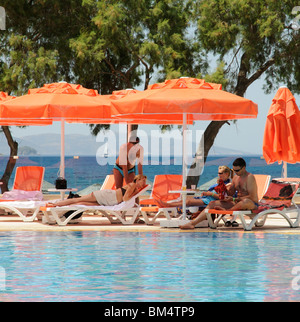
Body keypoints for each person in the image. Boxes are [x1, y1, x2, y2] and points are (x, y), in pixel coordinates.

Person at [179, 158, 258, 229]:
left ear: (244, 168)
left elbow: (251, 196)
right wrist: (222, 187)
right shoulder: (236, 178)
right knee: (211, 204)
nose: (235, 172)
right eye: (234, 170)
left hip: (251, 204)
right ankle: (192, 223)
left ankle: (227, 210)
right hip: (237, 203)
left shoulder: (249, 177)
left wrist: (234, 199)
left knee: (245, 201)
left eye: (237, 170)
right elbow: (230, 193)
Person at [155, 166, 233, 209]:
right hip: (207, 198)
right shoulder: (219, 182)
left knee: (188, 202)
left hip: (211, 201)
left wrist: (209, 194)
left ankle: (167, 205)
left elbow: (223, 197)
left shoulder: (228, 185)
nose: (218, 175)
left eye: (220, 173)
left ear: (226, 174)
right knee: (185, 200)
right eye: (218, 173)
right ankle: (167, 204)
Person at [49, 174, 147, 207]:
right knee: (78, 200)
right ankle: (56, 204)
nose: (143, 183)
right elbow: (126, 198)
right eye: (143, 181)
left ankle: (63, 204)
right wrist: (136, 192)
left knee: (82, 203)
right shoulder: (133, 185)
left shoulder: (134, 187)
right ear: (137, 180)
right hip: (106, 196)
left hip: (109, 200)